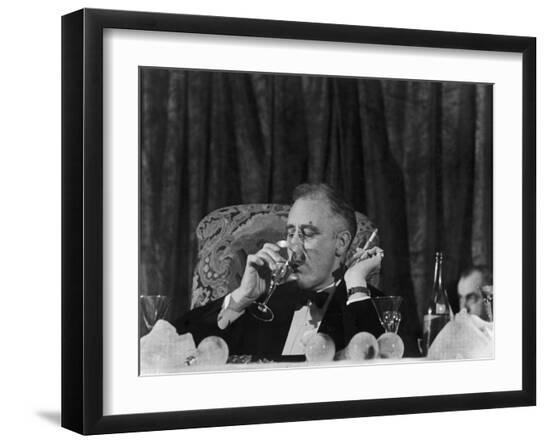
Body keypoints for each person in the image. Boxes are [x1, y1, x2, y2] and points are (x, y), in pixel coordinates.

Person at [174, 183, 419, 359]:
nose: (294, 248)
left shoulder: (383, 310)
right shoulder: (266, 304)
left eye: (307, 234)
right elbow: (175, 343)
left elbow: (381, 374)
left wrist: (355, 284)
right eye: (290, 233)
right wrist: (240, 299)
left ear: (341, 243)